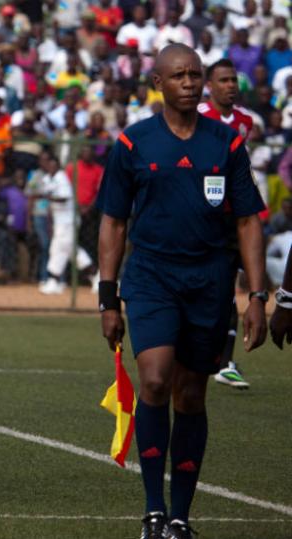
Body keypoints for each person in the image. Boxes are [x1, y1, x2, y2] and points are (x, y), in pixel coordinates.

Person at [97, 44, 266, 539]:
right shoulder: (133, 143)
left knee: (191, 394)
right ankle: (153, 510)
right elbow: (112, 221)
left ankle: (180, 518)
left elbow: (248, 223)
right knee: (153, 380)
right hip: (150, 277)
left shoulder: (228, 143)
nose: (190, 83)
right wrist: (108, 298)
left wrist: (256, 296)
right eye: (180, 75)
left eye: (196, 75)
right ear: (158, 83)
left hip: (211, 281)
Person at [198, 58, 255, 390]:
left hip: (230, 216)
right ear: (210, 85)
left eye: (233, 80)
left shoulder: (246, 122)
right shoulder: (200, 116)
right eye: (223, 80)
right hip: (200, 215)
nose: (230, 85)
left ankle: (226, 362)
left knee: (228, 288)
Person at [37, 153, 95, 295]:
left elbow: (63, 198)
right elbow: (49, 203)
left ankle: (54, 280)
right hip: (58, 221)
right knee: (71, 251)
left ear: (56, 165)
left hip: (68, 220)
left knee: (59, 249)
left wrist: (48, 197)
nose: (48, 166)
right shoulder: (46, 179)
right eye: (45, 163)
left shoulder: (61, 177)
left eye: (51, 163)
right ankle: (96, 276)